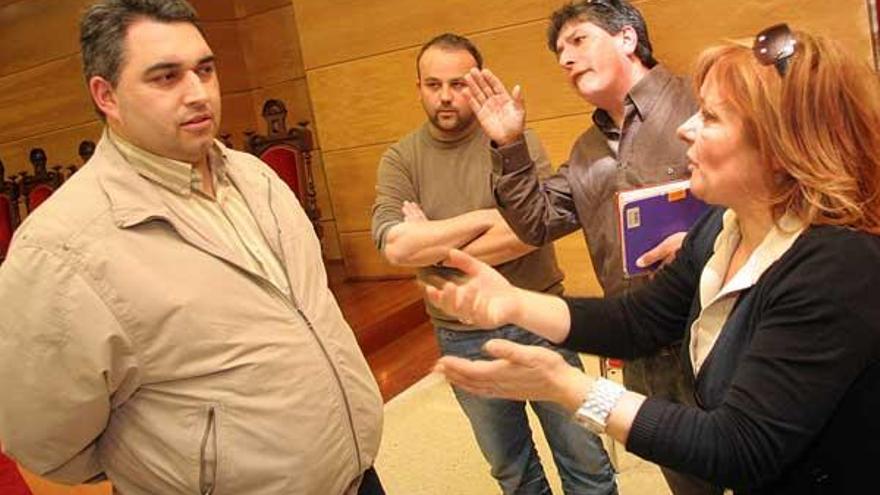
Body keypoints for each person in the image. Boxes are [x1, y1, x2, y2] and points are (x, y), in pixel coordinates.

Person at [428, 24, 880, 494]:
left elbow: (737, 448)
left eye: (709, 117)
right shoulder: (722, 226)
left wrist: (569, 387)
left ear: (780, 146)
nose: (687, 128)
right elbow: (638, 320)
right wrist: (512, 304)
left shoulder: (837, 266)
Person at [0, 1, 383, 494]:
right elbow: (44, 437)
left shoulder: (257, 178)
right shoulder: (60, 249)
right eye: (166, 77)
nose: (199, 93)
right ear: (107, 95)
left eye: (205, 69)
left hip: (358, 476)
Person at [463, 1, 705, 492]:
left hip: (717, 328)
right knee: (688, 482)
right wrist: (509, 143)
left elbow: (775, 191)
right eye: (559, 51)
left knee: (763, 465)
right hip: (642, 346)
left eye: (578, 40)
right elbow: (534, 222)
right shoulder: (585, 151)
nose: (565, 59)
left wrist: (705, 241)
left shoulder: (699, 102)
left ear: (627, 39)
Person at [372, 33, 616, 494]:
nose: (445, 96)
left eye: (459, 84)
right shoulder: (400, 159)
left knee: (586, 459)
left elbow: (527, 233)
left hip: (537, 315)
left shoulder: (513, 142)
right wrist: (486, 218)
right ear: (419, 87)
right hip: (460, 335)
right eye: (433, 84)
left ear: (479, 82)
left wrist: (437, 245)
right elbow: (398, 249)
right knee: (512, 471)